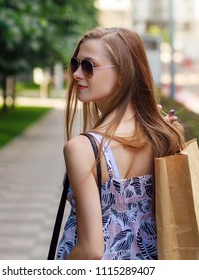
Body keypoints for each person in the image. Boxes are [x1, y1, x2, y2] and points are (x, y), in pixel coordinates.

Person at [56, 27, 184, 260]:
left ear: (124, 74)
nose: (76, 74)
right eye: (76, 64)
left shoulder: (82, 149)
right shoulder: (164, 135)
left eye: (89, 66)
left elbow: (91, 251)